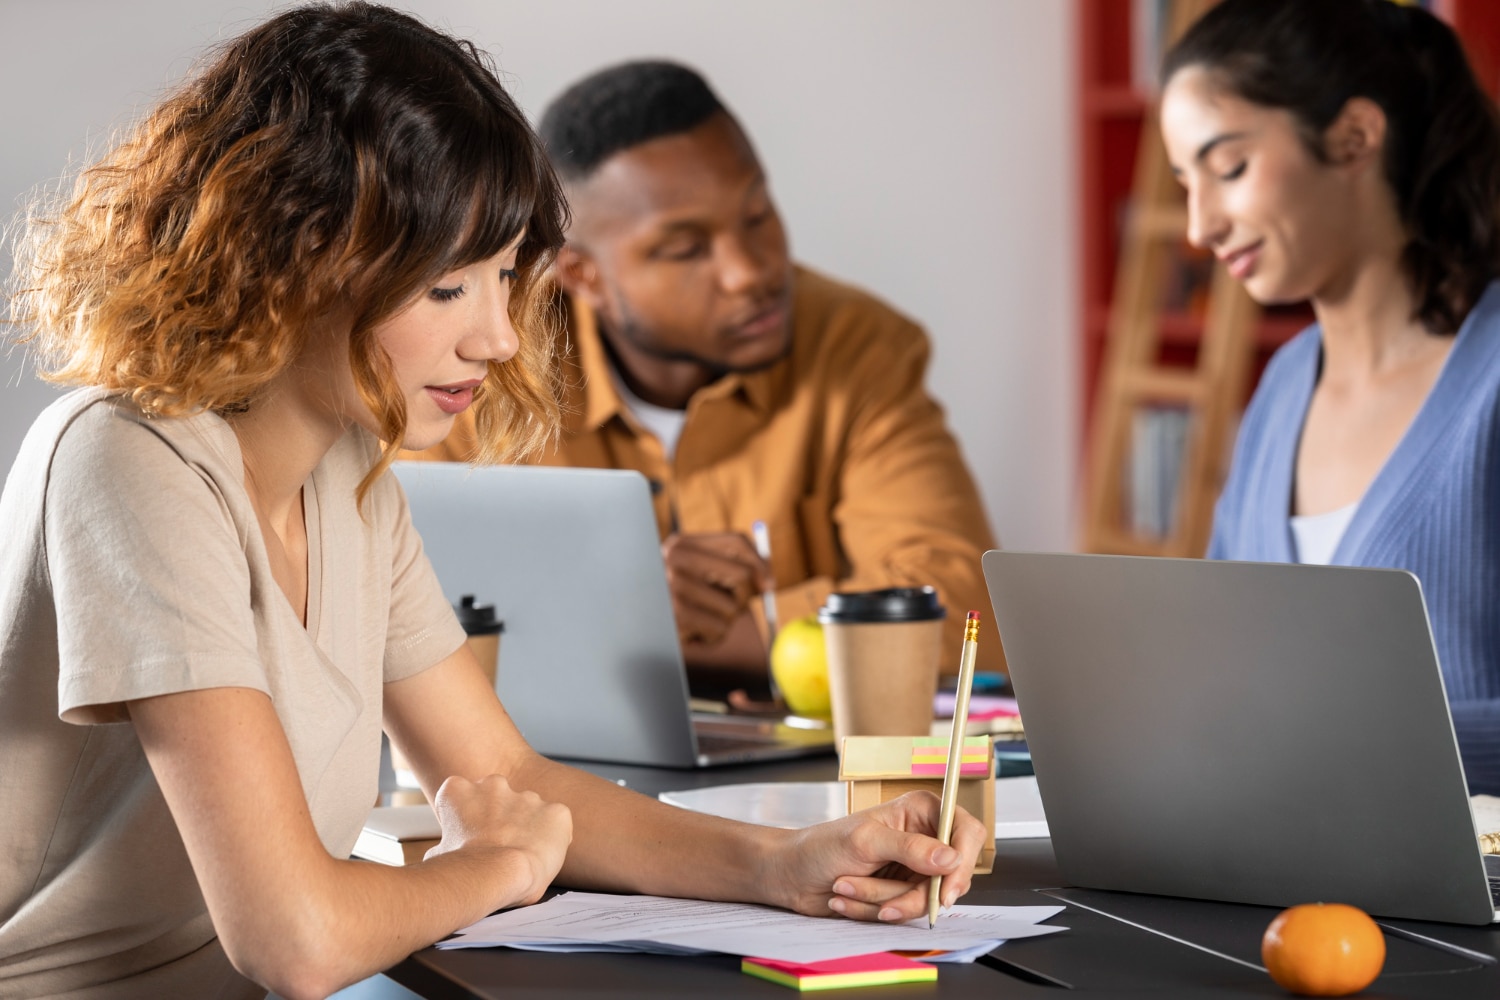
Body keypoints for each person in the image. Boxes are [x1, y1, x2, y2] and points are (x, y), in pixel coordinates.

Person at [0, 6, 986, 997]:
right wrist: (496, 865)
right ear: (294, 258)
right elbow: (296, 940)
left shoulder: (349, 477)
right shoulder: (130, 459)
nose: (500, 338)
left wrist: (787, 864)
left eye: (506, 277)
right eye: (447, 290)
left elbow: (505, 780)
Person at [404, 61, 1001, 692]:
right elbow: (405, 616)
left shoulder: (860, 346)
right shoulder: (483, 364)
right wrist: (628, 611)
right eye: (686, 249)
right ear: (584, 277)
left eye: (757, 214)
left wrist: (667, 630)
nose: (749, 271)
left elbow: (968, 613)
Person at [1159, 0, 1500, 792]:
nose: (1199, 227)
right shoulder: (1282, 387)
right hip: (1289, 886)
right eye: (1185, 183)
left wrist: (1330, 738)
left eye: (1229, 168)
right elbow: (1221, 666)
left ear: (1353, 136)